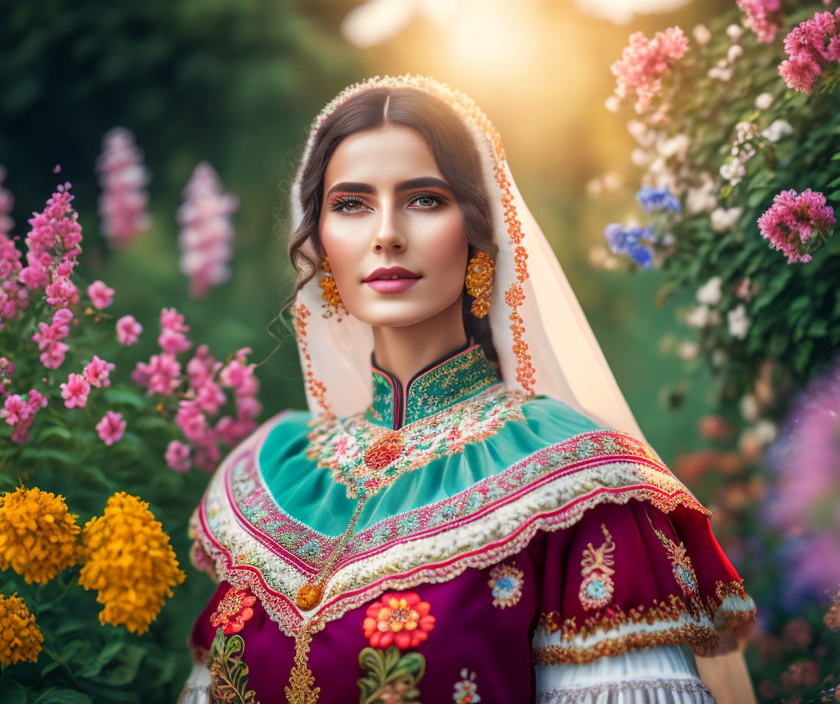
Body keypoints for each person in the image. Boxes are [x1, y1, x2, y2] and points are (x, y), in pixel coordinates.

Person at [178, 75, 757, 704]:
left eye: (424, 199)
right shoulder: (279, 474)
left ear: (478, 231)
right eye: (351, 204)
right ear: (319, 243)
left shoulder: (577, 485)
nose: (387, 233)